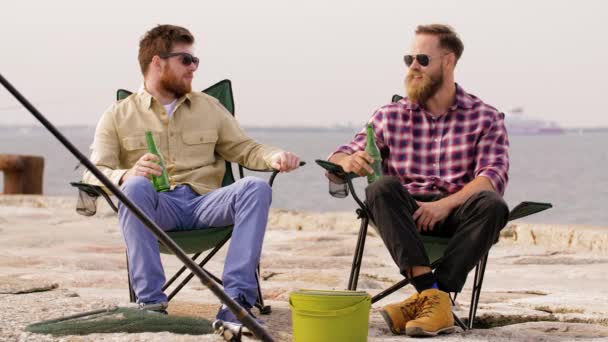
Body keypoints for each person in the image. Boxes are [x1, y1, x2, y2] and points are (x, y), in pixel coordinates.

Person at [83, 24, 301, 329]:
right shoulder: (118, 115)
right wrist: (126, 174)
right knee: (133, 187)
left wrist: (274, 157)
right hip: (157, 209)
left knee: (255, 188)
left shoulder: (209, 107)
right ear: (157, 62)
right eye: (185, 60)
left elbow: (245, 148)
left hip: (206, 204)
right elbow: (95, 173)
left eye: (195, 61)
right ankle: (151, 304)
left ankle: (237, 304)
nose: (193, 68)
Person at [327, 24, 509, 337]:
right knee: (381, 187)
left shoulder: (485, 116)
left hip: (457, 212)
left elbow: (492, 176)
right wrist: (346, 162)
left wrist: (443, 206)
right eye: (408, 58)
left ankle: (427, 301)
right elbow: (338, 160)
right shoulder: (389, 115)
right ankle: (434, 295)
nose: (413, 65)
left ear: (448, 62)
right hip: (404, 214)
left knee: (493, 205)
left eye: (422, 59)